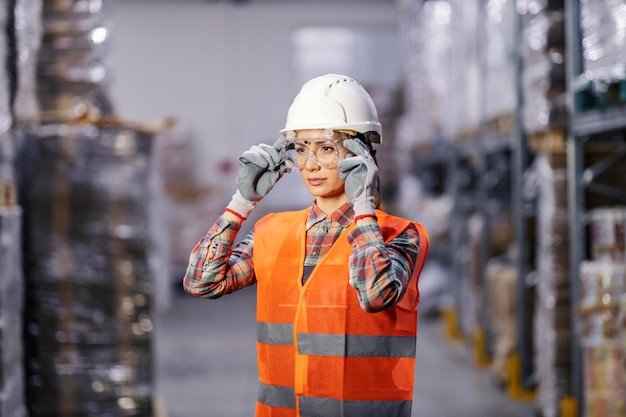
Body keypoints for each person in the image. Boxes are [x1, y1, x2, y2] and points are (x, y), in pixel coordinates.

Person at [183, 74, 429, 417]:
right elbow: (200, 282)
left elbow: (376, 294)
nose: (310, 164)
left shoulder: (400, 235)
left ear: (362, 153)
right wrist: (241, 203)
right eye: (301, 149)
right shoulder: (273, 231)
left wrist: (362, 207)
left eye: (326, 148)